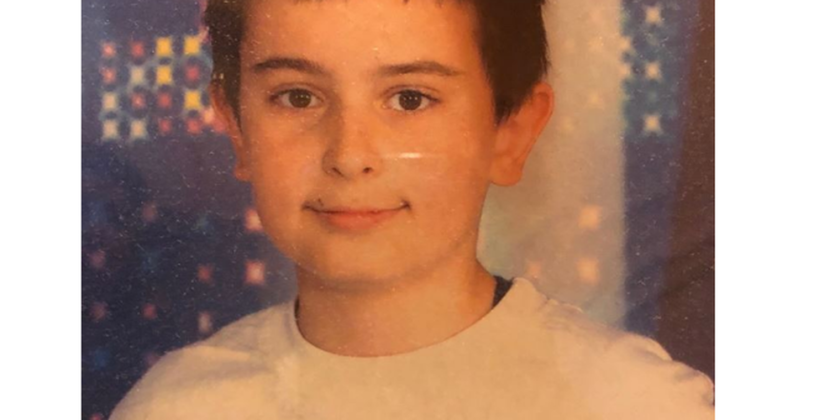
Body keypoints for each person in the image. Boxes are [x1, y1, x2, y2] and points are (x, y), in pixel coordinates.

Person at [111, 0, 715, 418]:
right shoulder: (175, 408)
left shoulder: (636, 404)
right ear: (237, 128)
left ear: (510, 132)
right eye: (297, 97)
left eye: (409, 98)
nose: (350, 156)